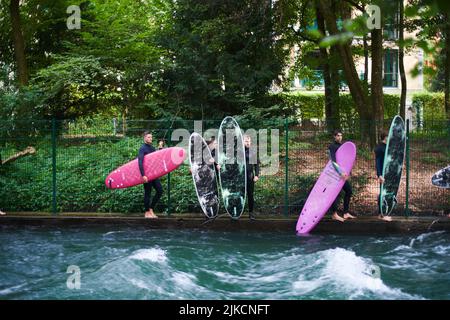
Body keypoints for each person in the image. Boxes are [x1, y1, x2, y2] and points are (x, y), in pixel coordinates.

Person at [329, 130, 355, 222]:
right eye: (338, 136)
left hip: (343, 175)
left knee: (349, 191)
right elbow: (333, 161)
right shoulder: (332, 146)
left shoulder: (342, 146)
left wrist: (348, 173)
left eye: (341, 136)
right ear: (334, 137)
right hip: (335, 174)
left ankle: (345, 213)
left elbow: (346, 161)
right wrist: (340, 172)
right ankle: (334, 214)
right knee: (335, 194)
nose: (340, 137)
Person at [139, 131, 163, 219]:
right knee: (148, 193)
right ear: (144, 138)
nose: (150, 139)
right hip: (147, 175)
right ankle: (147, 212)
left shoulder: (152, 147)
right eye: (149, 137)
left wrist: (160, 148)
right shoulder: (143, 148)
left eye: (151, 137)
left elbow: (157, 157)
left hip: (153, 174)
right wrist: (143, 175)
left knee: (160, 191)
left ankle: (151, 209)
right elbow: (140, 162)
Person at [374, 131, 392, 222]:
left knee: (386, 192)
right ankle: (380, 214)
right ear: (385, 137)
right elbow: (377, 162)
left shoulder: (387, 147)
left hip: (388, 173)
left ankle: (383, 213)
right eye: (388, 136)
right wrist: (379, 175)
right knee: (382, 193)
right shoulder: (379, 148)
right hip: (382, 174)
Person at [244, 135, 260, 220]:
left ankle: (251, 213)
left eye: (249, 141)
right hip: (240, 178)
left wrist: (257, 175)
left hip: (250, 177)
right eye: (246, 141)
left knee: (250, 195)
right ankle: (236, 213)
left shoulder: (253, 152)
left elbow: (257, 165)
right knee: (239, 195)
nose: (248, 143)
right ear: (243, 142)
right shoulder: (238, 151)